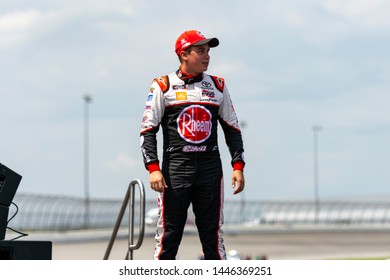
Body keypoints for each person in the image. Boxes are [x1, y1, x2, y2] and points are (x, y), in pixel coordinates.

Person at [140, 30, 245, 260]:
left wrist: (238, 165)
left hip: (209, 170)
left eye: (208, 51)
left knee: (213, 236)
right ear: (184, 54)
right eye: (201, 51)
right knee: (168, 235)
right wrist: (154, 168)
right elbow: (147, 130)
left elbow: (233, 129)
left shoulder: (218, 86)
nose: (207, 56)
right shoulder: (163, 85)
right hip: (175, 170)